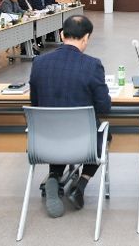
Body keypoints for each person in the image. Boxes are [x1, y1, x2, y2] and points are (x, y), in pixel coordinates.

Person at [29, 15, 111, 218]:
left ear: (61, 34)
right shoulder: (92, 65)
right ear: (86, 37)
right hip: (83, 144)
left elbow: (35, 103)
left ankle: (54, 176)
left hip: (46, 142)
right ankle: (80, 185)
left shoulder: (39, 63)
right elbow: (104, 107)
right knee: (104, 135)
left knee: (58, 128)